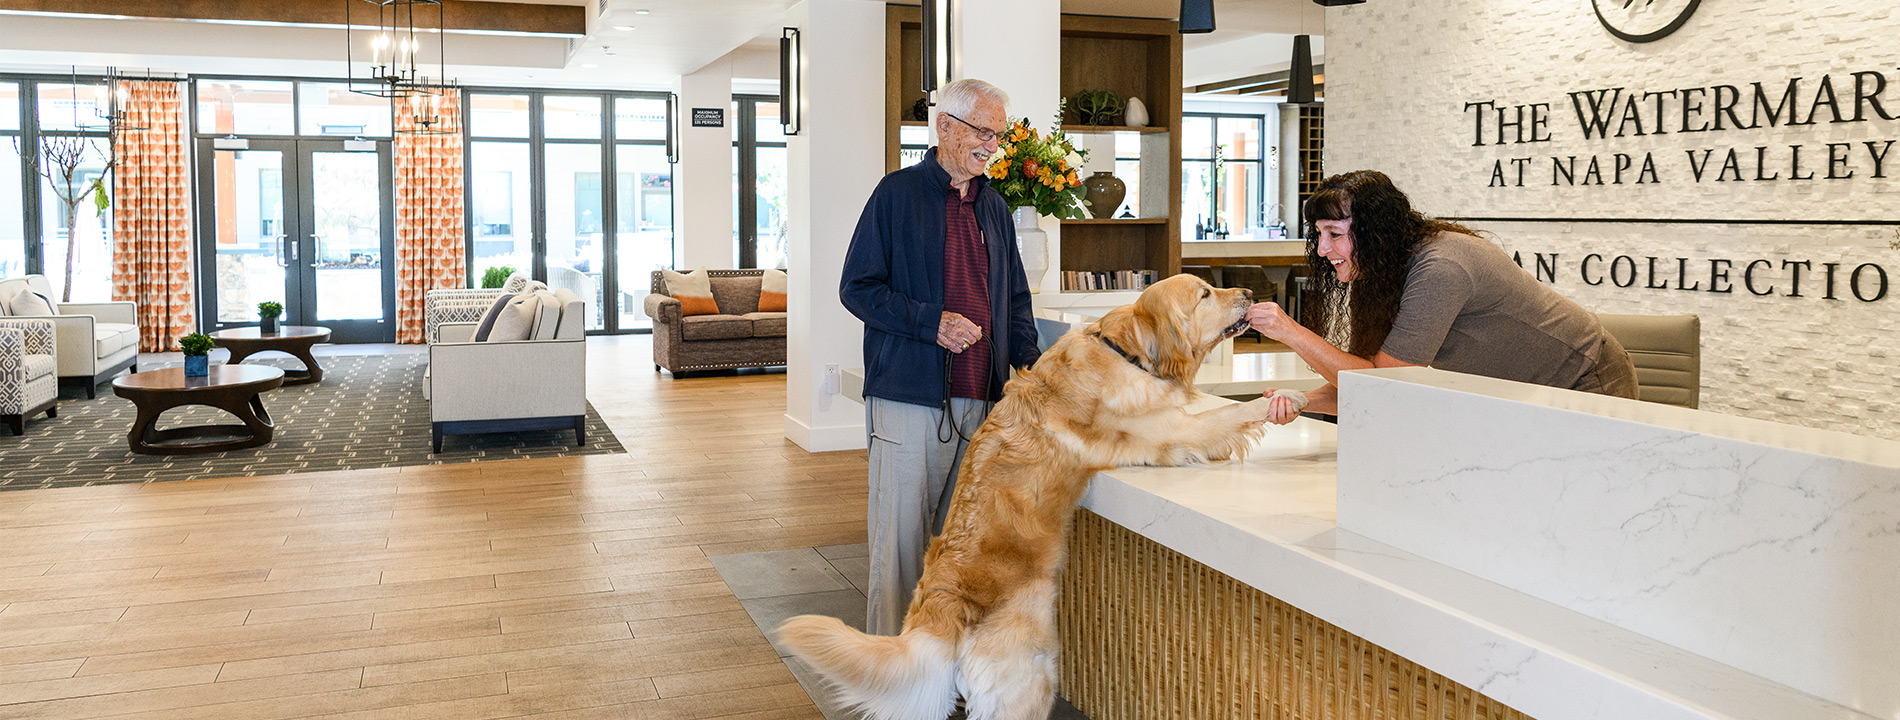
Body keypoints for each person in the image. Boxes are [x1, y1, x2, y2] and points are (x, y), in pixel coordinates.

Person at [839, 78, 1042, 636]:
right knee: (900, 550)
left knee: (956, 556)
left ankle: (936, 672)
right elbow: (857, 288)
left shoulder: (996, 206)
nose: (991, 145)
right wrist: (933, 324)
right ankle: (890, 679)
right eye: (982, 131)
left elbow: (1016, 302)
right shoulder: (896, 194)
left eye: (997, 135)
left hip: (980, 404)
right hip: (909, 396)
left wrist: (1031, 371)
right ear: (945, 126)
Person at [1248, 170, 1637, 424]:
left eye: (1334, 233)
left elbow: (1384, 383)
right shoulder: (1379, 271)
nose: (1321, 249)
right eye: (1318, 234)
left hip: (1583, 378)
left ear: (1374, 232)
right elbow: (1371, 381)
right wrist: (1300, 400)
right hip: (1519, 394)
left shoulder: (1440, 270)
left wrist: (1291, 331)